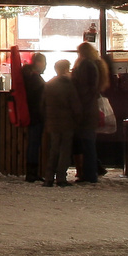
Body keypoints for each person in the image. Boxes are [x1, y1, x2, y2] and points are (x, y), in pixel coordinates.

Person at [41, 59, 84, 187]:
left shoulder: (49, 84)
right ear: (66, 69)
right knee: (65, 150)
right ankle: (61, 178)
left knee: (54, 149)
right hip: (67, 122)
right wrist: (78, 119)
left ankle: (49, 177)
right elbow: (75, 105)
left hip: (52, 121)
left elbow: (42, 105)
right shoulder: (69, 85)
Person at [72, 41, 108, 183]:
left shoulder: (86, 65)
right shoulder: (94, 64)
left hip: (86, 110)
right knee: (88, 143)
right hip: (89, 109)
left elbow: (84, 87)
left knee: (87, 143)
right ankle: (91, 172)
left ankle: (90, 174)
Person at [22, 53, 48, 182]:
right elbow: (38, 98)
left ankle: (32, 172)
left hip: (31, 113)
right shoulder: (35, 78)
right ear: (38, 63)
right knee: (34, 143)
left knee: (33, 143)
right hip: (36, 114)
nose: (45, 66)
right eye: (44, 63)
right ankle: (32, 172)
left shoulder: (28, 76)